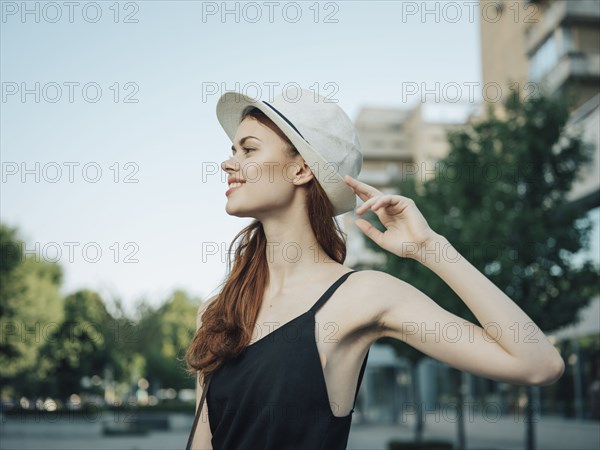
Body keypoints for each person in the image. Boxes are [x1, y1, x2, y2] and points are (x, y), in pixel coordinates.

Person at [185, 88, 565, 450]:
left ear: (301, 170)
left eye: (248, 149)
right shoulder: (219, 312)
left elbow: (538, 364)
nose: (227, 163)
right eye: (232, 150)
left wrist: (431, 248)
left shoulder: (363, 295)